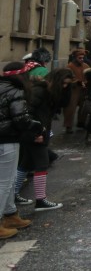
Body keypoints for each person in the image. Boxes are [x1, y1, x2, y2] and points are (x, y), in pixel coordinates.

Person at [14, 68, 73, 212]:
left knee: (26, 164)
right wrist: (35, 133)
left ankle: (13, 194)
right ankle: (40, 200)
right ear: (56, 80)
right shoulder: (40, 91)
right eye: (64, 84)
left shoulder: (50, 92)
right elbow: (28, 113)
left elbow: (64, 103)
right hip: (34, 133)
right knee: (42, 163)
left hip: (38, 131)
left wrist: (68, 89)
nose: (64, 87)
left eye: (67, 85)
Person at [0, 62, 44, 239]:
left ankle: (11, 214)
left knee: (7, 182)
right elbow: (21, 118)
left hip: (5, 138)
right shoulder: (16, 91)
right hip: (7, 140)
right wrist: (37, 127)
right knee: (5, 182)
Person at [64, 48, 89, 134]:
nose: (82, 60)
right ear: (75, 57)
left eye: (83, 58)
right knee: (70, 108)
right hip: (73, 89)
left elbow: (89, 76)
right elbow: (67, 77)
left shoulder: (85, 66)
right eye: (80, 58)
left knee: (84, 107)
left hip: (84, 89)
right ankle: (68, 126)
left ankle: (81, 122)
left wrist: (87, 82)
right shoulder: (69, 66)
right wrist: (77, 81)